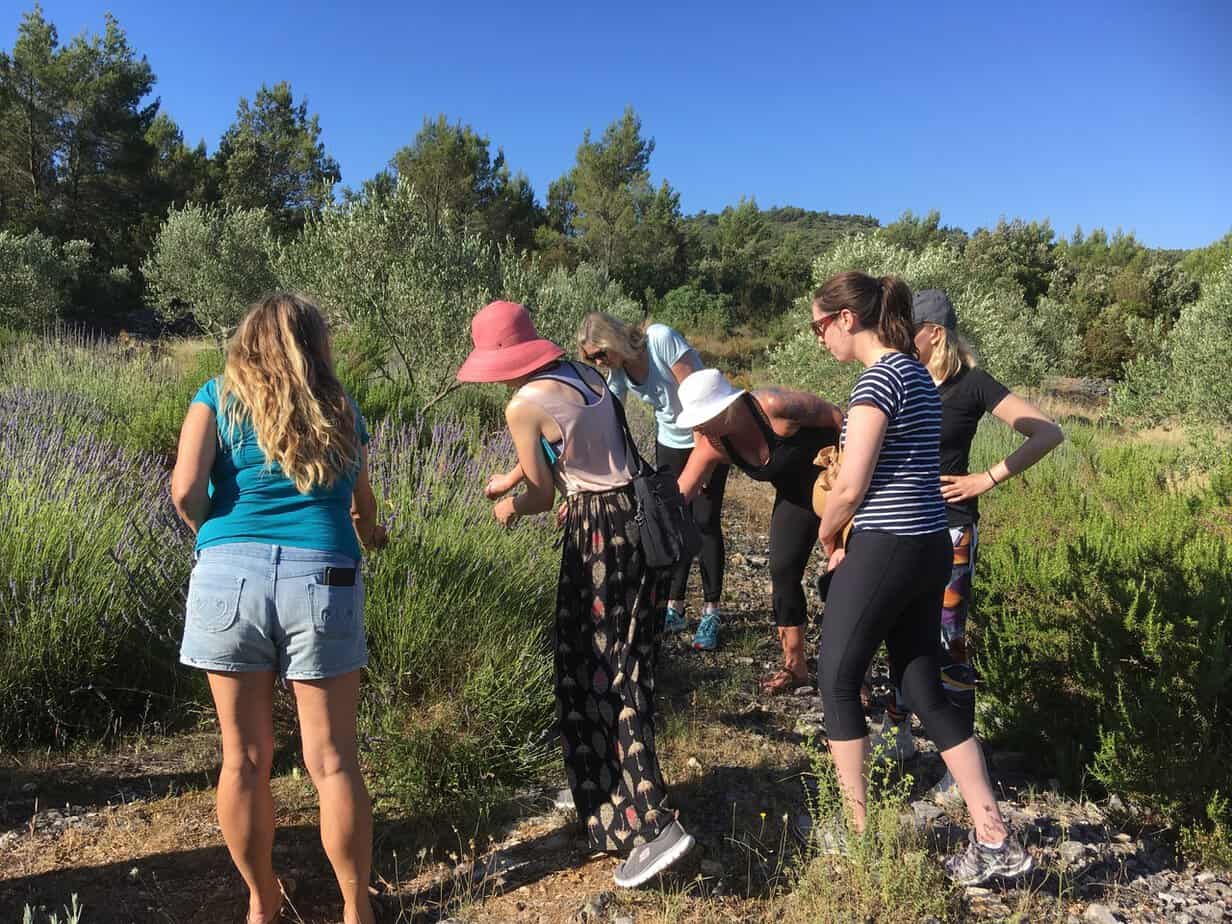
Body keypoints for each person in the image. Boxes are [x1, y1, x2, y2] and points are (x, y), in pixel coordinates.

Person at [461, 300, 695, 888]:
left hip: (596, 533)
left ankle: (652, 827)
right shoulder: (582, 374)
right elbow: (573, 443)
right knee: (625, 662)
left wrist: (509, 505)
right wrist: (513, 475)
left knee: (600, 670)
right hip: (633, 522)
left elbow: (544, 496)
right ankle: (608, 794)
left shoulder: (523, 403)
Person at [810, 271, 1033, 886]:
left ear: (848, 319)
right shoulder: (915, 373)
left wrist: (828, 536)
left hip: (886, 545)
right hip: (932, 544)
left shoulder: (878, 379)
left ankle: (857, 838)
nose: (819, 338)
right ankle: (994, 837)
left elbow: (851, 485)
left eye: (819, 326)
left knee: (836, 679)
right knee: (925, 688)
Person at [170, 294, 384, 924]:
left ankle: (261, 900)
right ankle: (356, 910)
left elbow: (185, 491)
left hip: (226, 575)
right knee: (333, 759)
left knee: (243, 758)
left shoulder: (215, 396)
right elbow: (362, 504)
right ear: (315, 343)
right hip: (323, 574)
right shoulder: (340, 406)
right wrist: (371, 534)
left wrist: (217, 539)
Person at [872, 290, 1064, 794]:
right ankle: (898, 732)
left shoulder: (972, 384)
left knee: (947, 640)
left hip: (951, 529)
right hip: (900, 528)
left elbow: (1048, 432)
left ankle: (959, 769)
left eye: (907, 327)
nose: (896, 335)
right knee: (897, 629)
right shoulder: (899, 378)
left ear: (934, 332)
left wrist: (987, 478)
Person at [673, 369, 845, 694]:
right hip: (795, 497)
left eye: (702, 419)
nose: (697, 428)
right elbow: (682, 491)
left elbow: (837, 417)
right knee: (782, 570)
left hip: (836, 485)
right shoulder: (714, 443)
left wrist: (855, 477)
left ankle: (857, 677)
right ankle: (795, 666)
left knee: (848, 573)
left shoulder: (774, 406)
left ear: (724, 409)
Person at [577, 313, 726, 650]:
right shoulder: (619, 370)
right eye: (591, 359)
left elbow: (698, 395)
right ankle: (675, 606)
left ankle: (711, 612)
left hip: (708, 435)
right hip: (670, 441)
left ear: (612, 340)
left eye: (599, 354)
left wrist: (702, 463)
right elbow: (608, 414)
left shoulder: (660, 339)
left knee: (704, 522)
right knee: (673, 522)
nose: (598, 362)